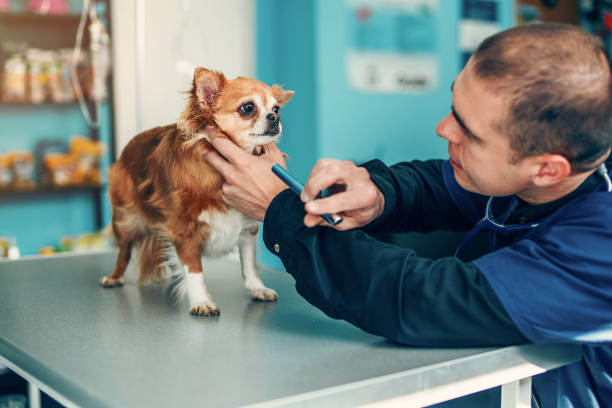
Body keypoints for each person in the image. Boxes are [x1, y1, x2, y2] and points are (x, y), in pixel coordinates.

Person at [204, 23, 612, 407]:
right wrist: (381, 193)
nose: (442, 128)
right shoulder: (543, 181)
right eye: (453, 105)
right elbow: (440, 188)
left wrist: (280, 210)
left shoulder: (600, 252)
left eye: (467, 130)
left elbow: (419, 299)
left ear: (547, 169)